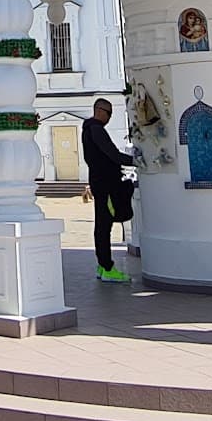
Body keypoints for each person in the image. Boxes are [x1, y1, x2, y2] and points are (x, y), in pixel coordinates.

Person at [82, 98, 133, 283]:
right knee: (105, 224)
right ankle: (107, 266)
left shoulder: (88, 130)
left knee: (103, 223)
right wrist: (134, 161)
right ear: (100, 111)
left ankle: (103, 266)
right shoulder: (96, 130)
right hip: (105, 184)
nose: (110, 118)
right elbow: (112, 154)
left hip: (99, 182)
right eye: (109, 113)